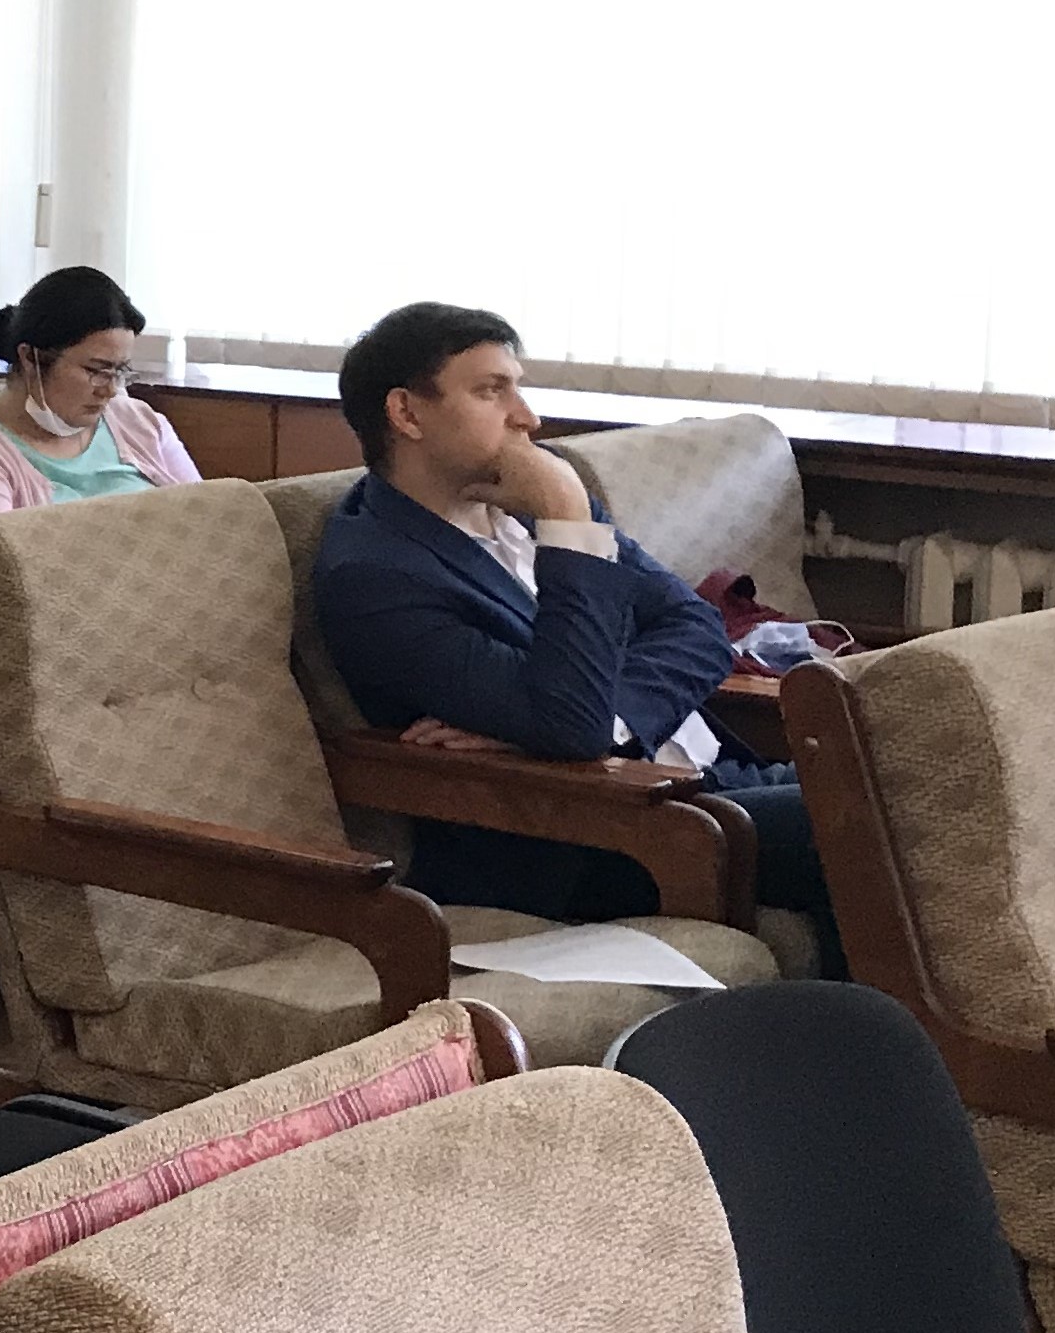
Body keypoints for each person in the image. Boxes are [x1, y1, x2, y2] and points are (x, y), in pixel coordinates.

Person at [311, 302, 836, 961]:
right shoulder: (376, 574)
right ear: (406, 413)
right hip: (597, 835)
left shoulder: (526, 503)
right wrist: (567, 518)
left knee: (899, 784)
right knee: (876, 824)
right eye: (492, 391)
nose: (527, 418)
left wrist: (598, 720)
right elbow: (573, 724)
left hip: (707, 776)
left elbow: (697, 627)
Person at [0, 266, 202, 528]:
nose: (110, 390)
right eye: (95, 370)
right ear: (30, 358)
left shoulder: (138, 422)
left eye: (120, 370)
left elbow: (206, 518)